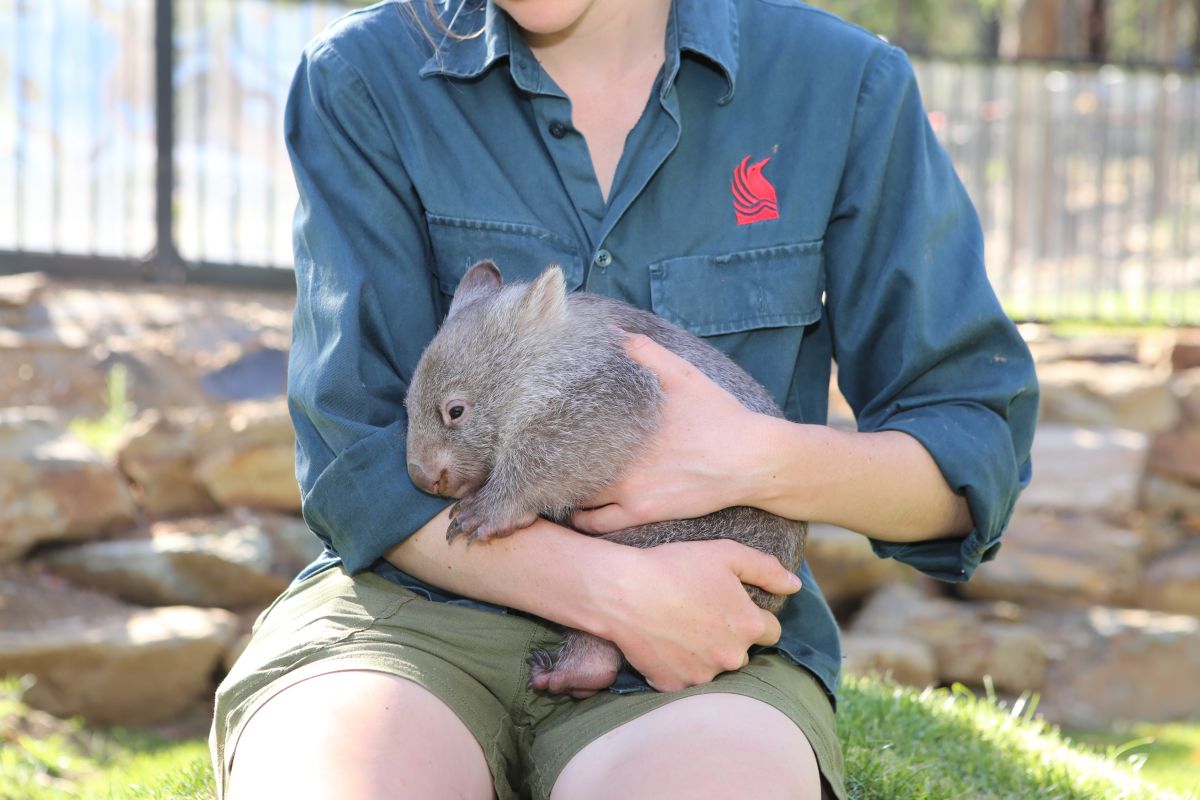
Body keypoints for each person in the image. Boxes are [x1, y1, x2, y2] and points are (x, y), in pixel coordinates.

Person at [209, 0, 1038, 797]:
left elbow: (971, 454)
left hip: (702, 626)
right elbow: (353, 459)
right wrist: (609, 591)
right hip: (414, 606)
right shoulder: (367, 74)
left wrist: (758, 459)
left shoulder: (839, 84)